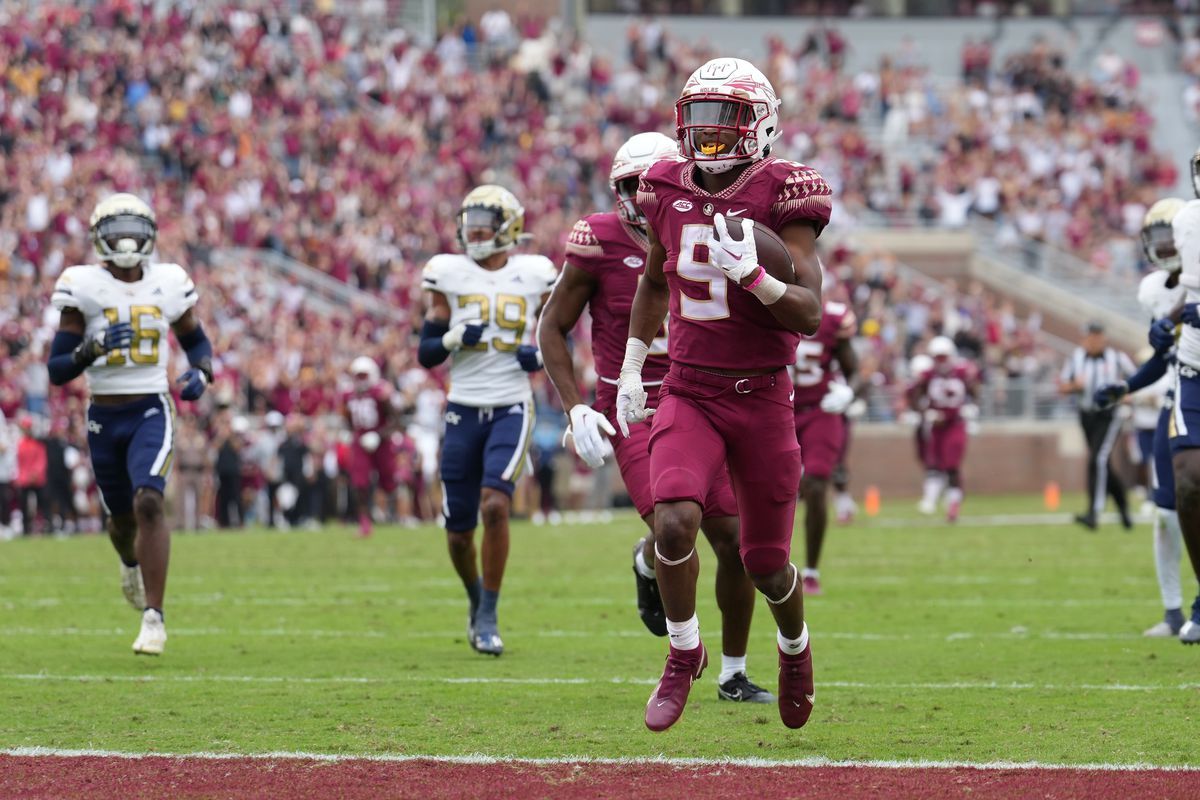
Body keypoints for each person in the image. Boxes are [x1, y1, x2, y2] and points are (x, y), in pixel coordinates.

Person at [618, 57, 830, 731]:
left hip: (762, 395)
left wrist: (759, 281)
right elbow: (655, 279)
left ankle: (794, 651)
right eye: (700, 117)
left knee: (766, 564)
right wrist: (631, 364)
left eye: (726, 117)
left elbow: (809, 312)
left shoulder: (786, 192)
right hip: (690, 388)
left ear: (761, 123)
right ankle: (684, 654)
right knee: (674, 520)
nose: (709, 133)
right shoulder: (665, 184)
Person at [538, 131, 774, 704]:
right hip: (634, 402)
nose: (642, 197)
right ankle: (677, 626)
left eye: (650, 185)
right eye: (631, 187)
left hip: (699, 396)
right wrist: (575, 407)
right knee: (675, 524)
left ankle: (734, 672)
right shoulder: (597, 239)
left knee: (738, 540)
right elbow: (552, 326)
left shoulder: (708, 225)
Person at [46, 193, 214, 655]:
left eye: (132, 230)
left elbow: (196, 341)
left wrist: (201, 371)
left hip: (150, 407)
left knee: (149, 503)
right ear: (100, 238)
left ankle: (154, 617)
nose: (124, 241)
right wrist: (91, 350)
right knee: (120, 521)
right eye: (116, 231)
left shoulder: (168, 281)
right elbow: (57, 368)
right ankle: (129, 562)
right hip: (104, 413)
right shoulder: (83, 285)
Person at [417, 185, 557, 656]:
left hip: (512, 405)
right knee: (458, 531)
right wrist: (453, 337)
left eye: (484, 222)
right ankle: (476, 601)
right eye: (470, 221)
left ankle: (491, 611)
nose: (474, 230)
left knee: (495, 505)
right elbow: (425, 354)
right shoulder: (448, 274)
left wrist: (538, 355)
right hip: (462, 407)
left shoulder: (535, 273)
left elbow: (560, 336)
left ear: (509, 227)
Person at [1093, 197, 1194, 637]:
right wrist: (1127, 387)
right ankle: (1173, 611)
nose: (1168, 245)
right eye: (1160, 237)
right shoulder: (1156, 291)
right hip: (1182, 394)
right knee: (1168, 513)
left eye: (1173, 235)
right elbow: (1162, 358)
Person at [791, 282, 861, 595]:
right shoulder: (765, 306)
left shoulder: (832, 319)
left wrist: (849, 390)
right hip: (777, 406)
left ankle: (811, 569)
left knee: (817, 482)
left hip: (821, 409)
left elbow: (854, 370)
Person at [1058, 321, 1136, 531]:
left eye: (1097, 337)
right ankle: (1123, 508)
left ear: (1103, 338)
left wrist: (1127, 394)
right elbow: (1062, 386)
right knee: (1102, 464)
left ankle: (1094, 512)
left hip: (1110, 415)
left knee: (1098, 459)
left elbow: (1137, 379)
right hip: (1086, 416)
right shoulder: (1076, 358)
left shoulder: (1117, 358)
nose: (1093, 342)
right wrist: (1076, 385)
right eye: (1089, 337)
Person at [1165, 192, 1200, 643]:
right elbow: (1193, 292)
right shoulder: (1190, 219)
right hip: (1195, 373)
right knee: (1188, 480)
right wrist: (1170, 320)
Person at [907, 337, 979, 522]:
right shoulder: (928, 375)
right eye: (937, 357)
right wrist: (925, 412)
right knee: (934, 462)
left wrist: (972, 407)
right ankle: (931, 500)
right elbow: (916, 395)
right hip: (937, 425)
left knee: (952, 465)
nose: (941, 361)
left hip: (955, 423)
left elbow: (974, 390)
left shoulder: (962, 372)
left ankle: (953, 504)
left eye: (943, 357)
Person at [341, 356, 397, 538]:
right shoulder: (347, 395)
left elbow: (395, 419)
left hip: (382, 440)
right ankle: (365, 523)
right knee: (359, 483)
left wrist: (378, 435)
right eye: (358, 376)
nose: (360, 380)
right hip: (360, 441)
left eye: (364, 375)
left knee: (388, 479)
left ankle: (393, 514)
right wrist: (353, 433)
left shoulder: (380, 392)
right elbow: (346, 417)